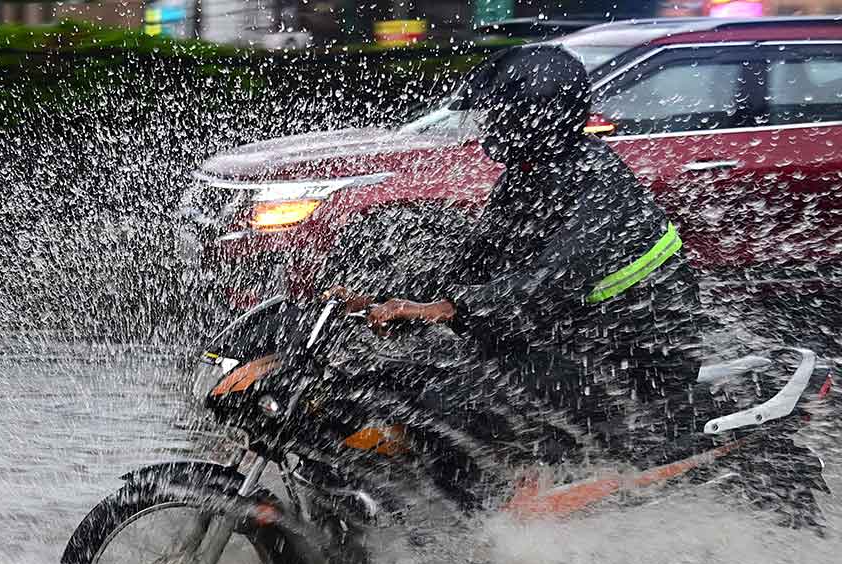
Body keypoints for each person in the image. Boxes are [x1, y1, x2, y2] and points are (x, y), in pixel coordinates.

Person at [330, 45, 827, 529]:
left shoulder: (594, 179)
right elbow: (475, 263)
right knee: (426, 377)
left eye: (492, 113)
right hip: (583, 332)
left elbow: (550, 281)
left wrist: (444, 308)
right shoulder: (533, 174)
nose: (484, 126)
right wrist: (382, 296)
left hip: (635, 345)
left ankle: (508, 512)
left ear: (528, 116)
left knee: (459, 398)